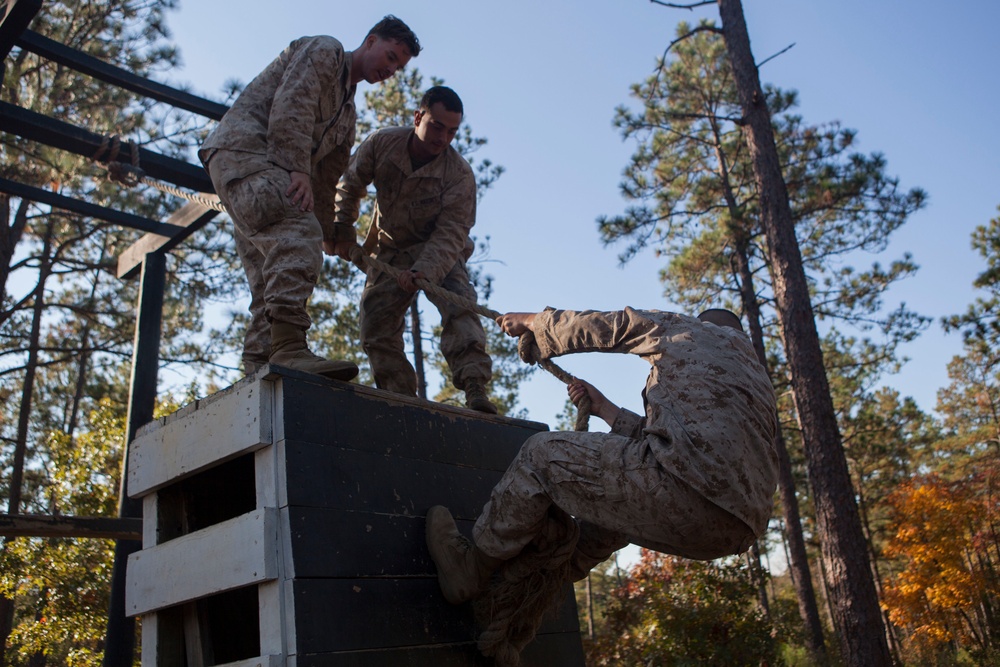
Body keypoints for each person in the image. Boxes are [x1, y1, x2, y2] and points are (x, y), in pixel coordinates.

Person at [426, 307, 779, 605]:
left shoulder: (691, 331)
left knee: (542, 454)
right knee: (608, 522)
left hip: (683, 490)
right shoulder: (758, 384)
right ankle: (530, 596)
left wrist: (537, 322)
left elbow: (615, 326)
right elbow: (688, 452)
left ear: (705, 323)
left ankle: (471, 569)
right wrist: (605, 409)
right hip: (733, 532)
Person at [199, 17, 421, 379]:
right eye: (390, 55)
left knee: (268, 280)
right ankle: (289, 349)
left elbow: (327, 179)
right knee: (297, 234)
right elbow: (293, 105)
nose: (390, 69)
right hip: (246, 155)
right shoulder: (327, 51)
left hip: (262, 176)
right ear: (370, 41)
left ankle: (258, 372)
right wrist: (296, 169)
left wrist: (328, 232)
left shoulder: (346, 115)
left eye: (398, 66)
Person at [330, 86, 496, 413]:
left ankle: (474, 385)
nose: (443, 137)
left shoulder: (459, 174)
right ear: (418, 117)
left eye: (452, 131)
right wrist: (343, 229)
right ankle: (400, 398)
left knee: (459, 307)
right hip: (389, 247)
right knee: (375, 325)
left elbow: (452, 232)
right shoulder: (382, 143)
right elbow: (349, 184)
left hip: (439, 253)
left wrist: (425, 271)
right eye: (436, 126)